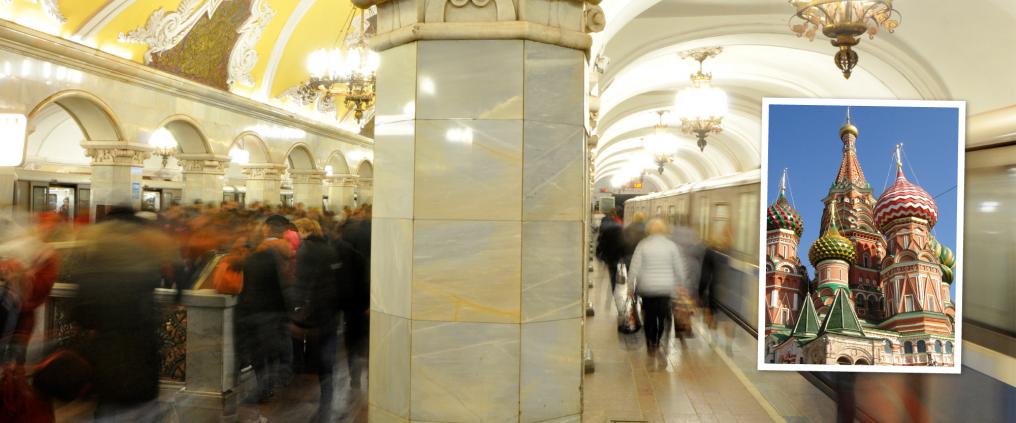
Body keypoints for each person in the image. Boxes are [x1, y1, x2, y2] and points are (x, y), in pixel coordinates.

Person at [67, 206, 178, 421]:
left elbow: (79, 312)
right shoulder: (146, 257)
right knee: (141, 406)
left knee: (109, 406)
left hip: (105, 352)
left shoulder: (93, 265)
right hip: (141, 350)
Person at [236, 215, 293, 404]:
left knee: (259, 353)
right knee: (273, 350)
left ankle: (263, 389)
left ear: (267, 229)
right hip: (278, 308)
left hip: (259, 308)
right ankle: (275, 383)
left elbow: (251, 284)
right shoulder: (290, 250)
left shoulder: (262, 254)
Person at [291, 219, 342, 422]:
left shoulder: (305, 251)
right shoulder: (329, 249)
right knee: (326, 356)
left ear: (306, 230)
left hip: (314, 311)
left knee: (318, 354)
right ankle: (328, 396)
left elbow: (304, 283)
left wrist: (299, 312)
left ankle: (321, 404)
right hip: (330, 309)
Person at [628, 218, 683, 354]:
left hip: (647, 288)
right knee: (662, 316)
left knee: (649, 317)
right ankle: (658, 340)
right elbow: (679, 269)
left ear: (649, 230)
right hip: (666, 288)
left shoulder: (643, 245)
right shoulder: (671, 246)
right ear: (664, 230)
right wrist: (681, 285)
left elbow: (634, 268)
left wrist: (630, 287)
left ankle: (650, 343)